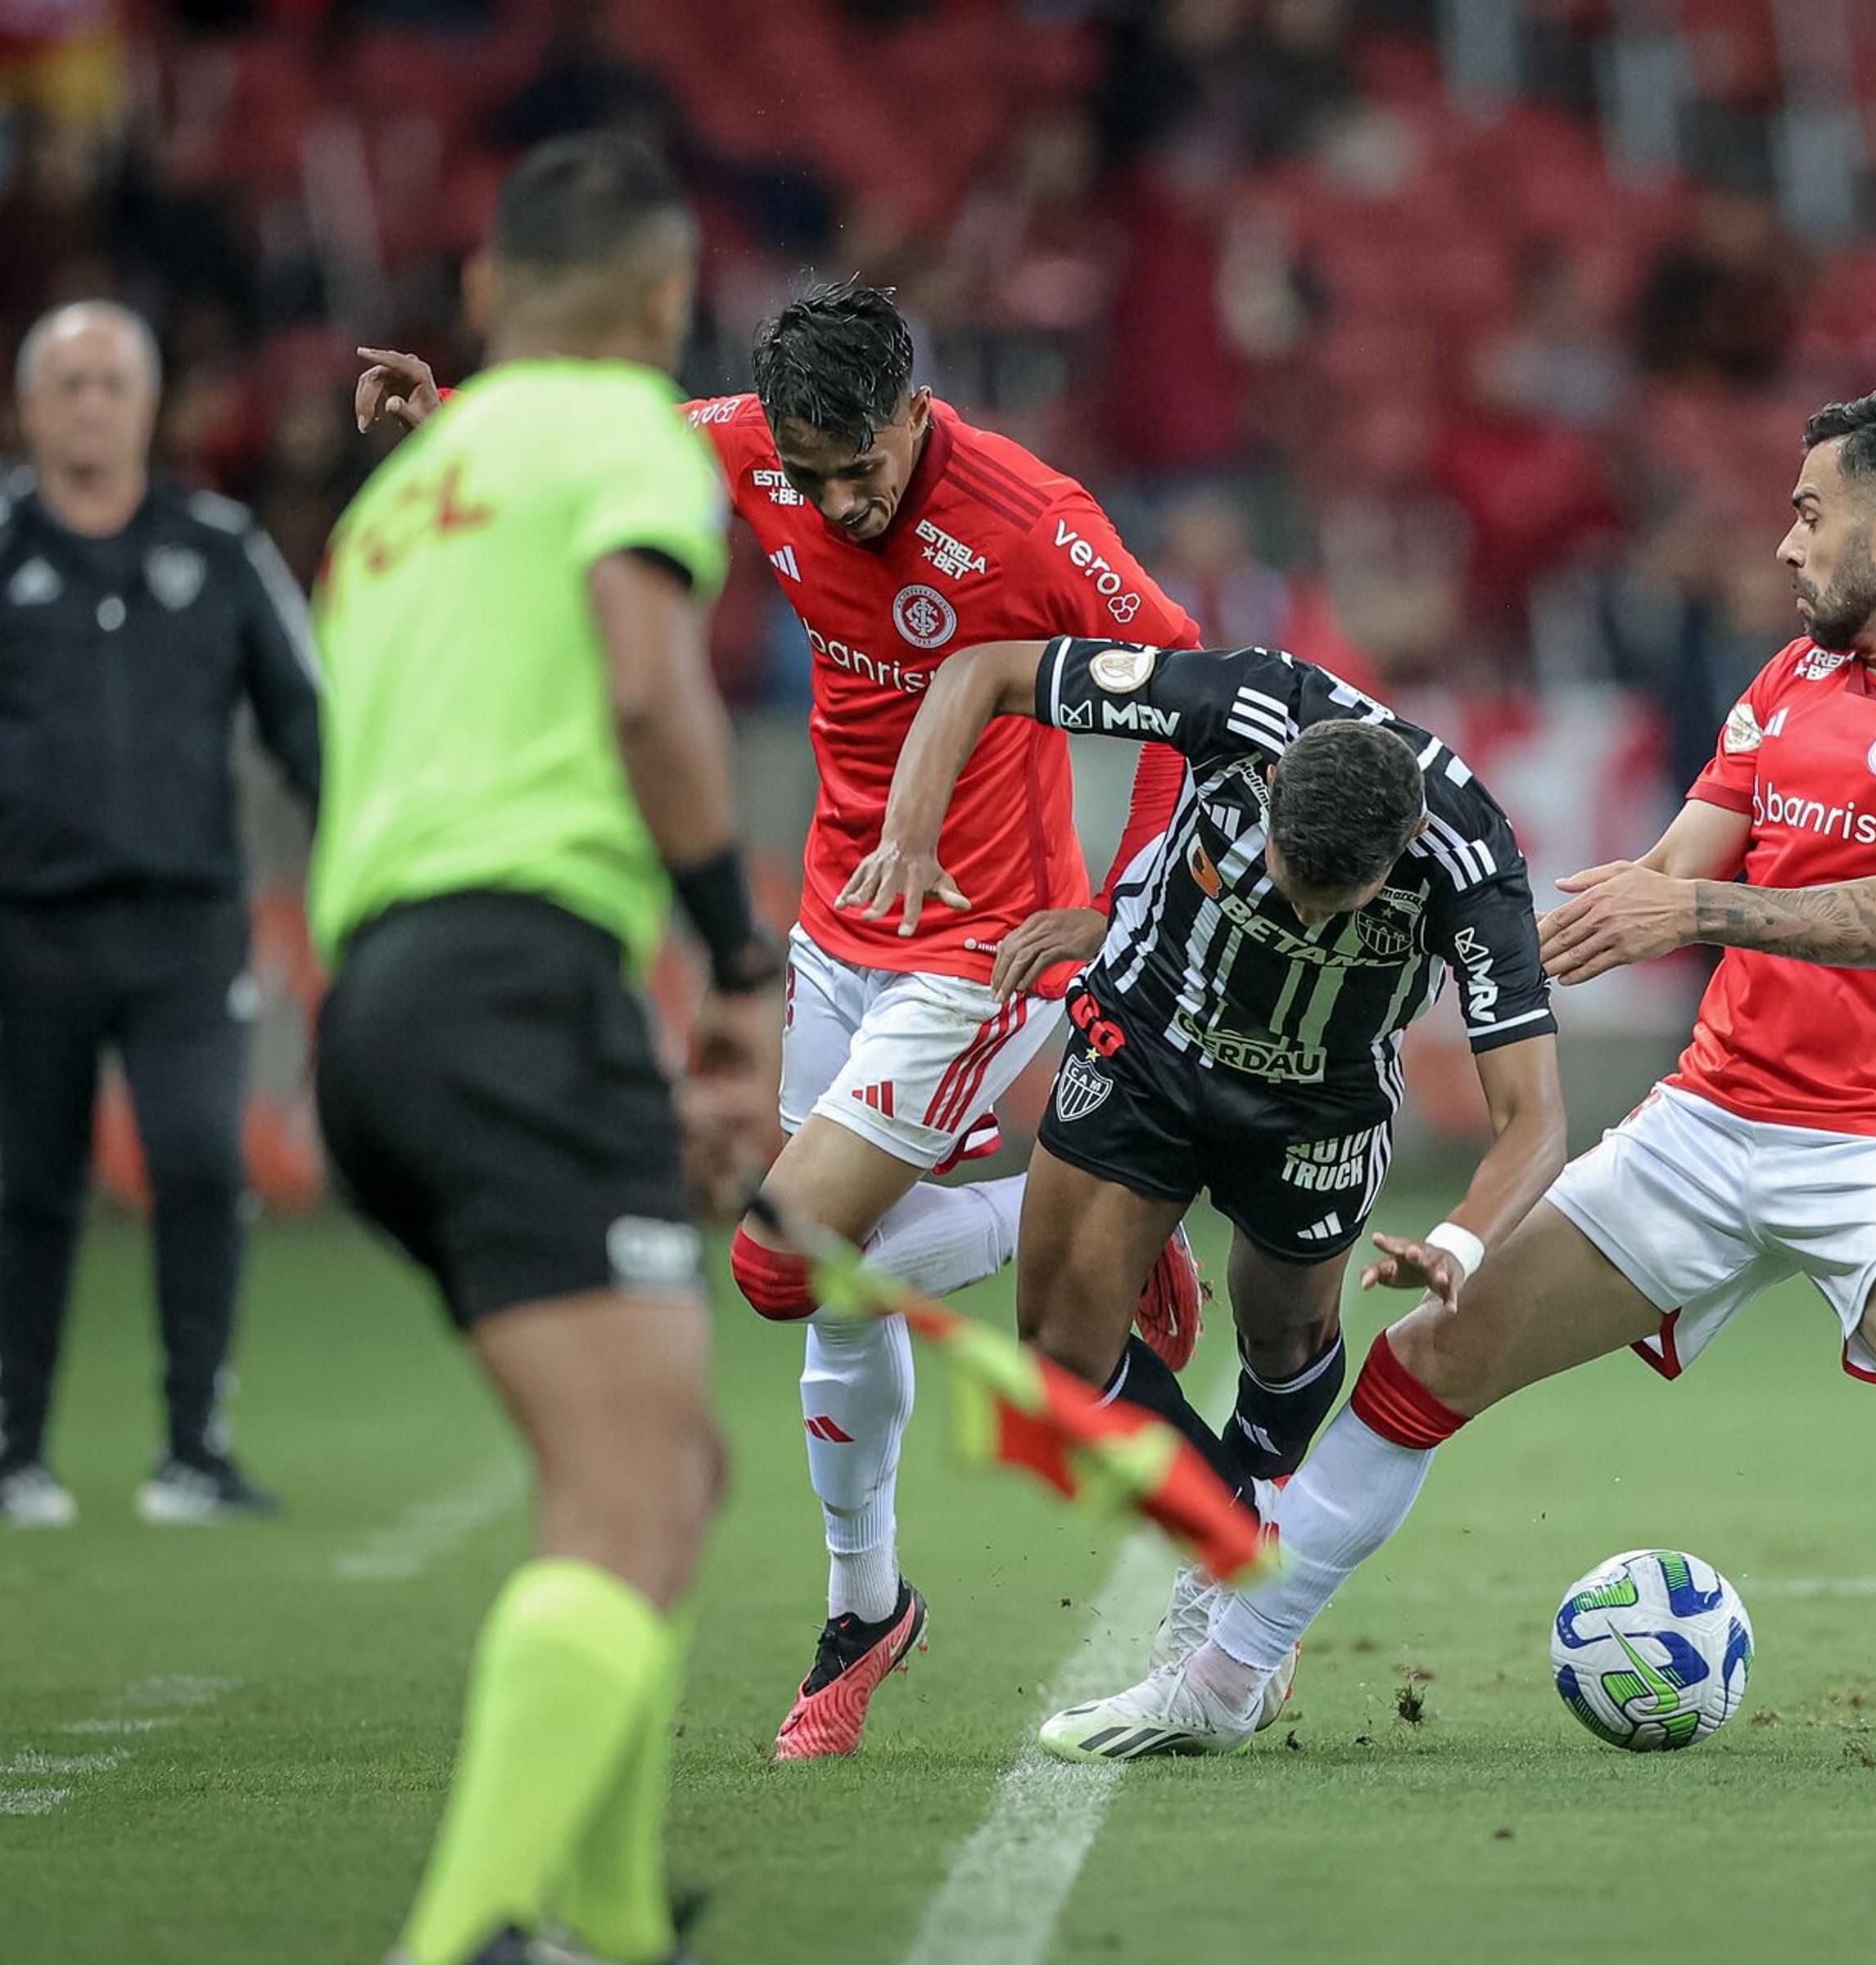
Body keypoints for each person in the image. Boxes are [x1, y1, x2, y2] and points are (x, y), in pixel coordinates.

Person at [1027, 390, 1876, 1764]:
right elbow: (1663, 878)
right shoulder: (1789, 681)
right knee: (1422, 1369)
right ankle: (1222, 1681)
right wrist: (1472, 928)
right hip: (1706, 1122)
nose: (1784, 545)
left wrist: (1688, 915)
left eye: (1809, 514)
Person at [355, 280, 1206, 1759]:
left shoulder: (1028, 517)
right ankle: (863, 1609)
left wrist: (1123, 911)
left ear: (914, 413)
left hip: (979, 955)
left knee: (776, 1260)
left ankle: (1085, 1203)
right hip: (834, 928)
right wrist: (454, 421)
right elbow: (596, 437)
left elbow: (1188, 685)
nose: (833, 500)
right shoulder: (745, 445)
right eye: (806, 477)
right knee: (829, 1287)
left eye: (859, 467)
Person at [310, 133, 782, 1965]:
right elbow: (649, 690)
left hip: (380, 1009)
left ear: (488, 293)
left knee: (666, 1473)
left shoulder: (400, 499)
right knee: (626, 1481)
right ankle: (470, 1937)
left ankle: (604, 1918)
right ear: (666, 302)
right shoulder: (616, 436)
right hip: (517, 987)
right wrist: (734, 964)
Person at [841, 634, 1567, 1698]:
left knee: (1281, 1337)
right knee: (1059, 1357)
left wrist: (1460, 1239)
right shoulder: (1239, 705)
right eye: (1293, 882)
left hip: (1319, 1105)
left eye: (1342, 900)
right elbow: (983, 669)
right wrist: (909, 835)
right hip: (1151, 1046)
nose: (1311, 916)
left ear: (1408, 840)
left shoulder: (1469, 856)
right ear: (1266, 785)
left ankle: (1241, 1534)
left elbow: (1536, 1120)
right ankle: (1237, 1543)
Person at [0, 299, 322, 1529]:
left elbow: (306, 719)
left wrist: (351, 856)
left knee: (197, 1160)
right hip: (27, 923)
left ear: (148, 405)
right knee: (29, 1185)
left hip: (188, 921)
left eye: (111, 382)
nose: (89, 403)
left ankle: (197, 1445)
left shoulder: (220, 543)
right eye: (67, 381)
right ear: (30, 406)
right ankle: (16, 1447)